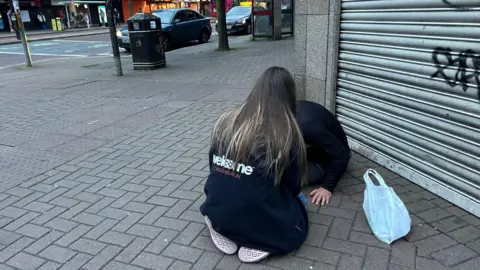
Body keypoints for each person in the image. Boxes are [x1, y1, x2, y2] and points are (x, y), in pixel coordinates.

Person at [200, 67, 309, 263]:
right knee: (300, 203)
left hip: (218, 206)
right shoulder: (286, 135)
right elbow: (293, 187)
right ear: (289, 96)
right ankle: (259, 238)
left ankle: (218, 222)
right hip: (257, 214)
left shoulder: (225, 121)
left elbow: (213, 167)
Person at [297, 100, 351, 206]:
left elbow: (343, 155)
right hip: (317, 148)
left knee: (293, 177)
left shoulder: (307, 127)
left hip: (332, 158)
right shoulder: (292, 109)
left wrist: (327, 188)